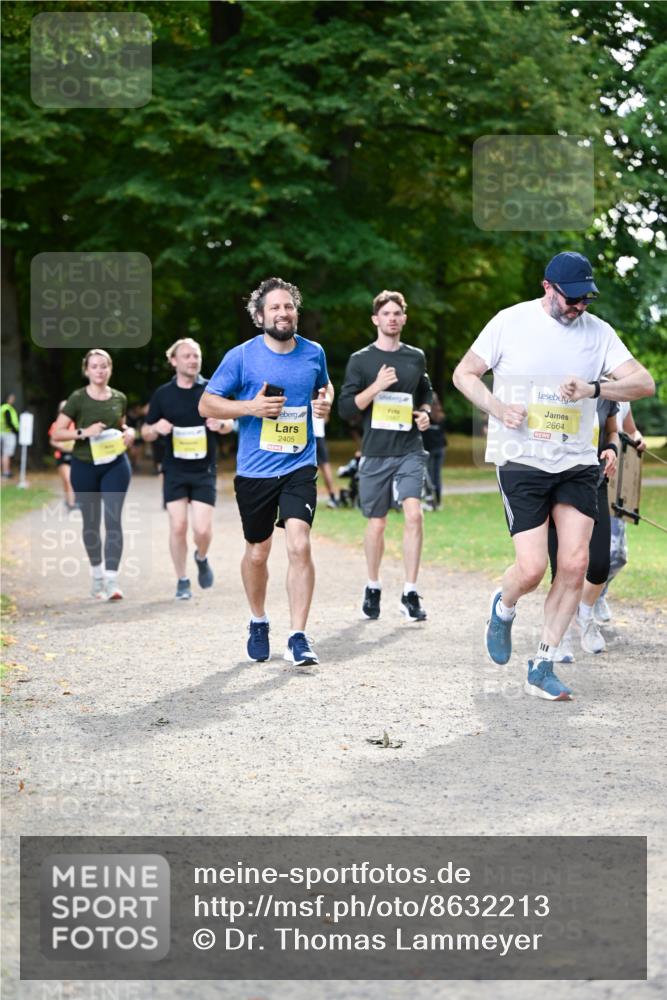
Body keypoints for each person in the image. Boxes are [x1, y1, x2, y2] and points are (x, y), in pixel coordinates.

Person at [453, 251, 654, 701]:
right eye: (571, 298)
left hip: (576, 461)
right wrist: (496, 408)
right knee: (531, 569)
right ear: (548, 287)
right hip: (521, 459)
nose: (579, 307)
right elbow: (463, 374)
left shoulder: (598, 333)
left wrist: (595, 388)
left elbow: (644, 383)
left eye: (586, 299)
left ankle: (542, 664)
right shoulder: (509, 322)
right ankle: (504, 607)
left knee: (576, 564)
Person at [199, 277, 333, 666]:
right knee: (258, 553)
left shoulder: (314, 352)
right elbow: (207, 404)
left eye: (289, 306)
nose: (283, 313)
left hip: (299, 464)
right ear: (260, 316)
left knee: (299, 544)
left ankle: (298, 636)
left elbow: (324, 388)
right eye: (275, 307)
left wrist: (324, 404)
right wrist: (250, 408)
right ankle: (258, 620)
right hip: (255, 470)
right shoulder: (242, 357)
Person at [338, 289, 433, 622]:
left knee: (414, 515)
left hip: (409, 449)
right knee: (376, 523)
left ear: (404, 319)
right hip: (376, 451)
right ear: (375, 319)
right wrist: (376, 386)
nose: (392, 318)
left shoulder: (415, 357)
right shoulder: (361, 360)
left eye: (397, 313)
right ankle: (373, 585)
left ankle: (410, 592)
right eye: (386, 314)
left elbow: (426, 391)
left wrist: (424, 412)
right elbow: (346, 409)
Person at [142, 338, 234, 600]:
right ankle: (182, 579)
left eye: (196, 356)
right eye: (187, 356)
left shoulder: (211, 390)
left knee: (202, 530)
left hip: (204, 469)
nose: (193, 360)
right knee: (178, 526)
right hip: (174, 469)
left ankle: (201, 557)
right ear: (174, 361)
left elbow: (231, 422)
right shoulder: (163, 394)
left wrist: (222, 425)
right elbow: (145, 432)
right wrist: (155, 428)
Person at [50, 349, 135, 601]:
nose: (99, 370)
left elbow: (121, 425)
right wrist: (83, 432)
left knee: (113, 520)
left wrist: (129, 432)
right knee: (91, 523)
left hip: (115, 464)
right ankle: (97, 575)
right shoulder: (77, 398)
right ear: (86, 370)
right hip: (85, 465)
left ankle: (112, 581)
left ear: (110, 369)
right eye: (94, 366)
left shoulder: (119, 397)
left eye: (104, 366)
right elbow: (57, 433)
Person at [547, 397, 620, 660]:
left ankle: (585, 613)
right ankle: (559, 635)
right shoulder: (551, 385)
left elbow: (612, 431)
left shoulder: (605, 391)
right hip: (554, 482)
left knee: (600, 564)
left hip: (593, 481)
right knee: (561, 566)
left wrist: (612, 448)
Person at [594, 401, 647, 623]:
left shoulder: (623, 399)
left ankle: (597, 593)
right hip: (588, 481)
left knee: (617, 555)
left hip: (616, 488)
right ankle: (580, 604)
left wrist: (637, 437)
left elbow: (631, 430)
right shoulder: (591, 390)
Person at [48, 401, 76, 510]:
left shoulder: (75, 424)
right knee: (67, 479)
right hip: (62, 455)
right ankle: (71, 503)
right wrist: (60, 445)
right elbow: (52, 441)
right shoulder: (55, 425)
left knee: (72, 480)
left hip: (75, 455)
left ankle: (69, 500)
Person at [421, 391, 447, 509]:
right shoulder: (441, 416)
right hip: (440, 449)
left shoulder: (425, 416)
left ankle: (430, 502)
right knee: (437, 476)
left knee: (430, 476)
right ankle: (438, 502)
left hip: (430, 450)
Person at [313, 411, 339, 508]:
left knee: (305, 467)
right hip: (320, 436)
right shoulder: (323, 401)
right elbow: (326, 419)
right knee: (325, 466)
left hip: (308, 435)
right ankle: (332, 497)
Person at [1, 393, 19, 478]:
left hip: (2, 432)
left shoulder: (2, 408)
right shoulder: (7, 408)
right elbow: (9, 421)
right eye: (12, 398)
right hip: (8, 433)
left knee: (2, 454)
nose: (13, 400)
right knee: (6, 454)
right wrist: (15, 430)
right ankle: (6, 472)